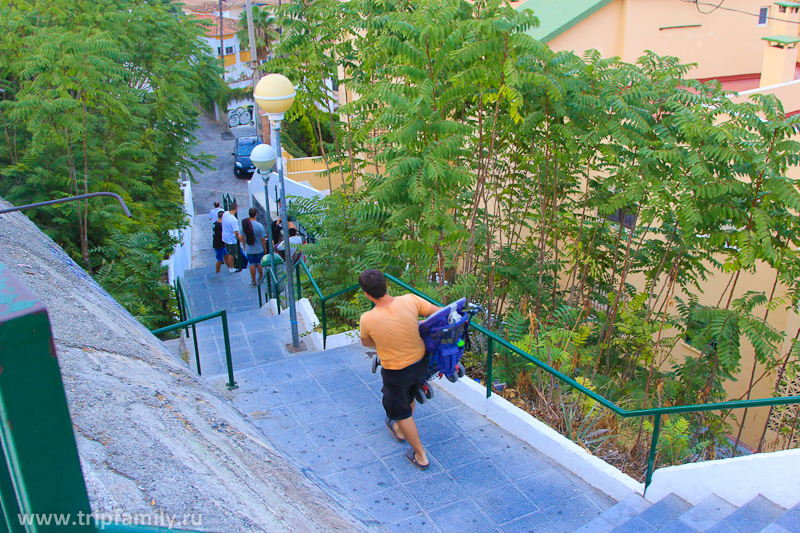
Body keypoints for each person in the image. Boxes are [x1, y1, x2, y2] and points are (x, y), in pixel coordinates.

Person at [358, 269, 440, 470]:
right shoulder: (410, 300)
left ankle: (420, 456)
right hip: (420, 364)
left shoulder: (367, 319)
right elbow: (438, 311)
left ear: (367, 294)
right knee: (409, 396)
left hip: (396, 372)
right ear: (386, 286)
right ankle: (400, 430)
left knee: (400, 411)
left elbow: (366, 342)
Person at [240, 207, 267, 286]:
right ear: (256, 214)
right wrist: (264, 248)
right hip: (259, 248)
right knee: (259, 263)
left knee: (252, 264)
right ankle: (261, 278)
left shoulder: (245, 225)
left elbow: (242, 237)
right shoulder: (259, 226)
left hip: (249, 248)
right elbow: (263, 238)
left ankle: (253, 281)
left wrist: (245, 246)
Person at [221, 202, 242, 274]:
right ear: (236, 208)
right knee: (231, 254)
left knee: (228, 252)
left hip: (225, 237)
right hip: (231, 239)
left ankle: (231, 265)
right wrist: (239, 238)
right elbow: (236, 232)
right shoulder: (234, 220)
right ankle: (231, 268)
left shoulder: (225, 214)